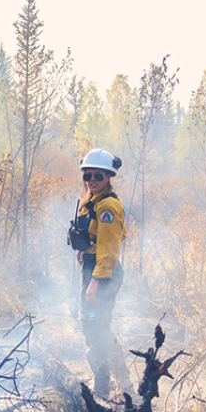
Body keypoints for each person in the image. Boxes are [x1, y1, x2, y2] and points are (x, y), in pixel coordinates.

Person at [68, 148, 131, 395]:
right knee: (93, 325)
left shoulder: (107, 207)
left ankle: (121, 383)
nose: (92, 180)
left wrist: (95, 281)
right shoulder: (91, 203)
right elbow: (94, 237)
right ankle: (104, 379)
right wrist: (83, 250)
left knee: (97, 327)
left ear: (109, 178)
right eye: (87, 175)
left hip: (102, 273)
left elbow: (110, 249)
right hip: (92, 268)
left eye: (98, 175)